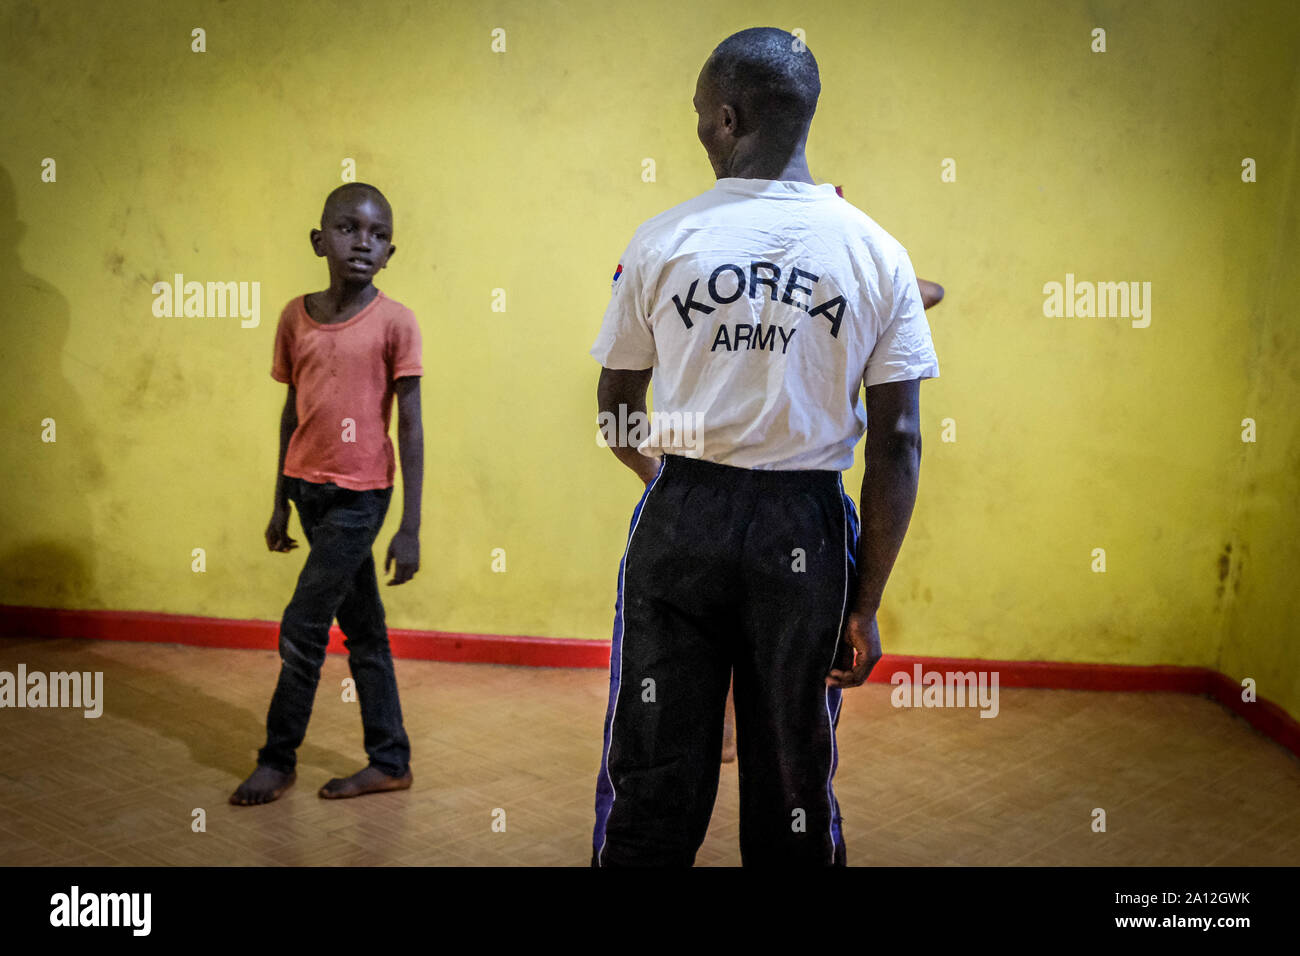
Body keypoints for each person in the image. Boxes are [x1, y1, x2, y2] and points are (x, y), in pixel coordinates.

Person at [589, 28, 940, 865]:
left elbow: (614, 407)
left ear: (726, 117)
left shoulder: (661, 239)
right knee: (793, 777)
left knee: (652, 769)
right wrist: (864, 602)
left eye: (699, 118)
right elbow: (897, 441)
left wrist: (666, 479)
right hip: (807, 526)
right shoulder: (876, 252)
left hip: (682, 514)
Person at [231, 182, 423, 806]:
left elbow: (412, 427)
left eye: (377, 234)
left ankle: (277, 759)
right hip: (307, 491)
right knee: (363, 630)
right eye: (348, 228)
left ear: (390, 252)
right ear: (320, 240)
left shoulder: (396, 322)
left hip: (362, 497)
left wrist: (410, 526)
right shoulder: (296, 316)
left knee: (303, 626)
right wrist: (279, 499)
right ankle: (389, 759)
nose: (362, 242)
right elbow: (292, 411)